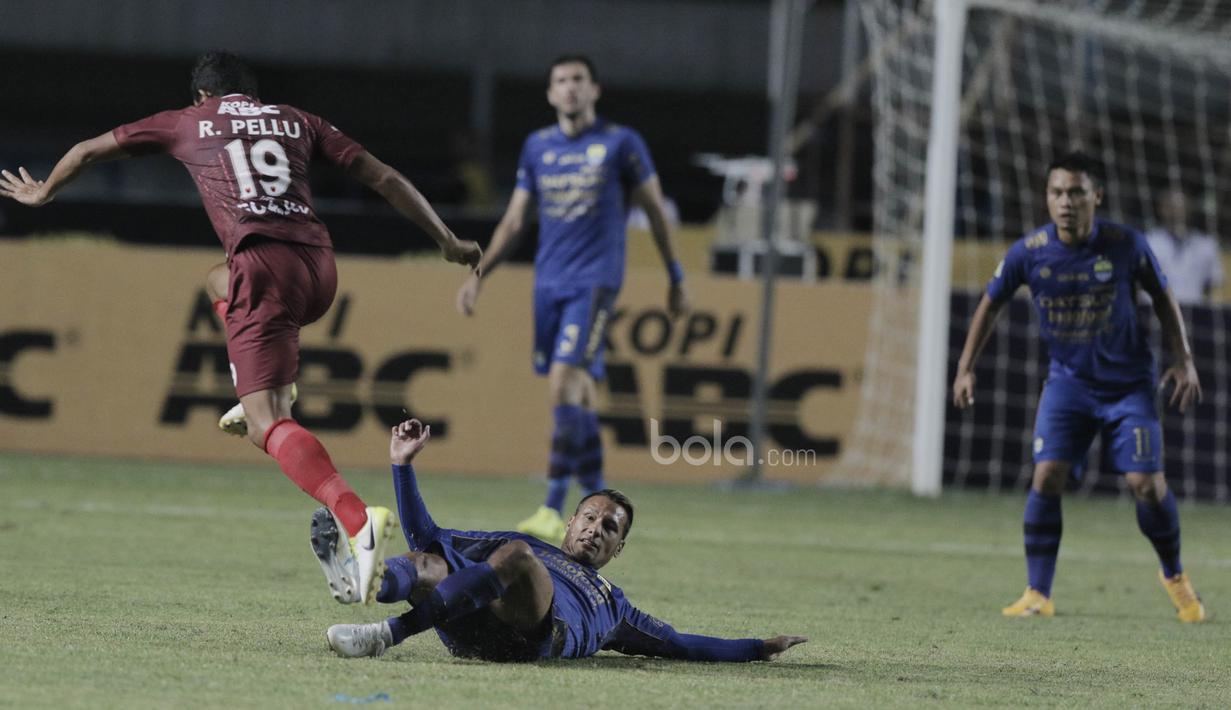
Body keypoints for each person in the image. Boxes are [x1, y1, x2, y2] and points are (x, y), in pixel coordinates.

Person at [0, 52, 482, 605]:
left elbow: (88, 150)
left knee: (266, 425)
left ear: (203, 95)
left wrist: (45, 191)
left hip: (262, 265)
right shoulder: (299, 119)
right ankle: (256, 389)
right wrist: (447, 239)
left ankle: (358, 520)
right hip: (318, 268)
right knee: (214, 280)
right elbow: (384, 176)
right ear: (252, 95)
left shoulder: (189, 121)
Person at [952, 151, 1205, 622]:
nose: (1065, 202)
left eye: (1075, 192)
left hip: (1129, 386)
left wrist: (1184, 360)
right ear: (1047, 198)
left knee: (1146, 485)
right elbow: (991, 304)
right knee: (1047, 475)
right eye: (1056, 193)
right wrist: (965, 367)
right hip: (1067, 385)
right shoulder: (1029, 251)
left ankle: (1174, 576)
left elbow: (1165, 298)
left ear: (1096, 197)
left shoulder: (1125, 244)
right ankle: (1037, 593)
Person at [319, 418, 807, 662]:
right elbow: (428, 536)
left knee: (516, 556)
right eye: (590, 518)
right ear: (571, 522)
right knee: (427, 561)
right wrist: (401, 464)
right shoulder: (521, 540)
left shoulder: (615, 605)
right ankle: (363, 580)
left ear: (619, 549)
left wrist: (757, 647)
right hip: (464, 623)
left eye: (610, 528)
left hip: (530, 635)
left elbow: (679, 643)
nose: (596, 529)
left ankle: (389, 633)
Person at [456, 55, 689, 544]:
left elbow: (655, 209)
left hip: (596, 283)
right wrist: (481, 274)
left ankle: (550, 506)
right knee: (579, 394)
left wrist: (675, 274)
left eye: (578, 80)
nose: (569, 88)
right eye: (560, 81)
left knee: (563, 382)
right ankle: (599, 499)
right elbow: (516, 220)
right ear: (549, 93)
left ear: (595, 90)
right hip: (549, 285)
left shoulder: (620, 143)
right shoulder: (538, 147)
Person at [1144, 188, 1223, 305]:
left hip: (1195, 314)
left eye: (1182, 206)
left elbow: (1213, 288)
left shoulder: (1206, 245)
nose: (1177, 211)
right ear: (1161, 209)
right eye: (1171, 206)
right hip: (1155, 312)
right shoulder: (1148, 242)